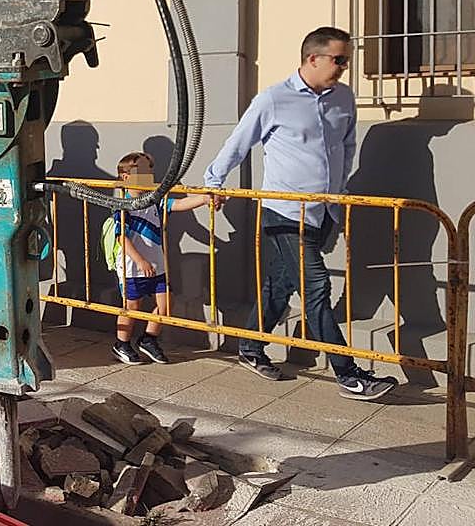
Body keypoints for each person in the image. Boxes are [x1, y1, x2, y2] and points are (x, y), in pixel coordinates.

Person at [203, 26, 398, 400]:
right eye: (338, 60)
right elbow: (238, 142)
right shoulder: (274, 99)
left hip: (324, 210)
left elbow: (347, 147)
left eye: (347, 60)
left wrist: (339, 200)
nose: (344, 67)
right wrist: (213, 183)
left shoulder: (343, 98)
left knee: (282, 284)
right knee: (317, 288)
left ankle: (249, 346)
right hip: (283, 211)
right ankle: (350, 374)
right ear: (313, 58)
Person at [108, 152, 208, 365]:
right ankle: (121, 343)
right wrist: (139, 261)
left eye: (150, 171)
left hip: (157, 264)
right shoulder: (123, 204)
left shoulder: (155, 201)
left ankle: (149, 339)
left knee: (166, 304)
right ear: (126, 177)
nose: (148, 175)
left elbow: (179, 204)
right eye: (142, 172)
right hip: (132, 266)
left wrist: (205, 199)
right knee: (132, 306)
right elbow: (121, 237)